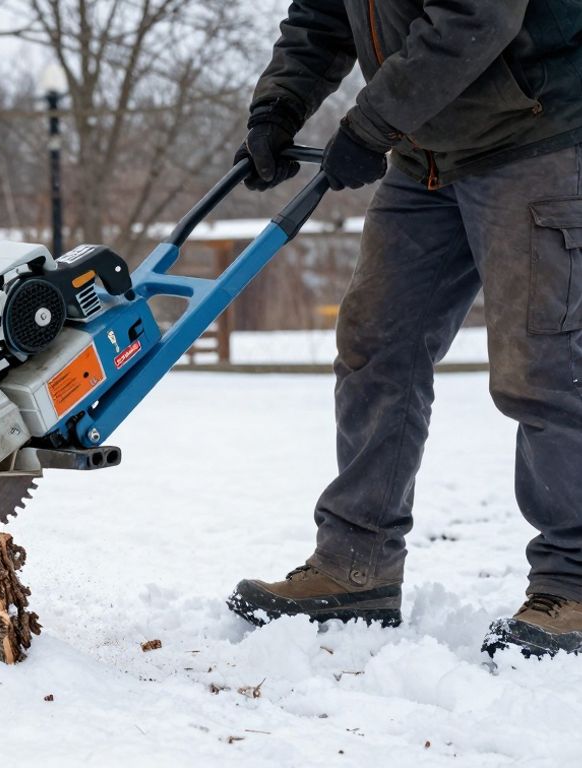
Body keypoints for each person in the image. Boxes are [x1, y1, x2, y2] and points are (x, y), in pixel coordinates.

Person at [225, 0, 582, 657]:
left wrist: (370, 125)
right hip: (426, 157)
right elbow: (323, 16)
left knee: (547, 368)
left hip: (537, 138)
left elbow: (478, 16)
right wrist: (278, 107)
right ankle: (355, 564)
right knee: (375, 347)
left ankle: (574, 584)